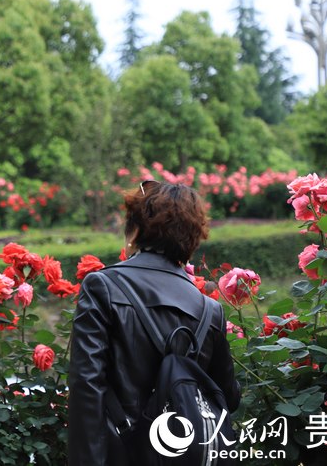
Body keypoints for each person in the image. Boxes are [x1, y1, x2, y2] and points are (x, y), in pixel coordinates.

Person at [67, 181, 240, 465]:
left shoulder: (103, 287)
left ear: (135, 230)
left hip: (121, 454)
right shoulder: (210, 311)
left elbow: (86, 386)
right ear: (192, 239)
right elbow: (228, 398)